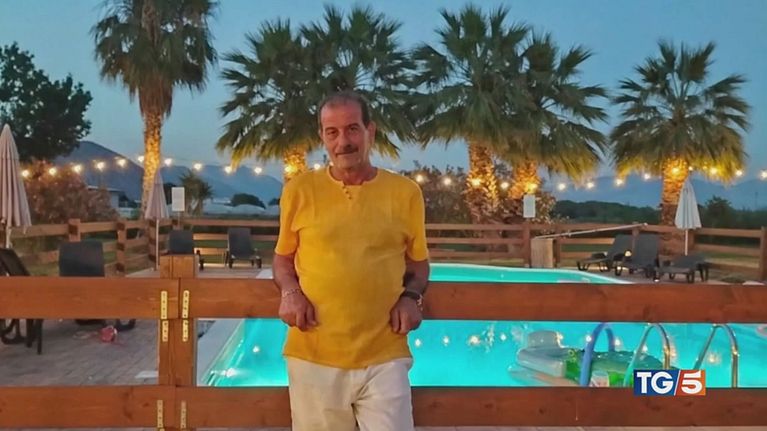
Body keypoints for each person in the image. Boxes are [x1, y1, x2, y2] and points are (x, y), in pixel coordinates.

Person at [273, 90, 430, 431]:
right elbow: (282, 260)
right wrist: (290, 292)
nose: (342, 141)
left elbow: (419, 265)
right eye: (332, 132)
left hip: (385, 353)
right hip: (313, 354)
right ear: (322, 137)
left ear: (370, 131)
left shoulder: (405, 193)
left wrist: (411, 297)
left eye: (352, 129)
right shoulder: (299, 190)